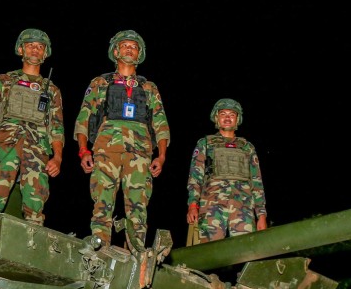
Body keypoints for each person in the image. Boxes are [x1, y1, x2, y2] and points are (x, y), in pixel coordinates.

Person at [75, 30, 170, 249]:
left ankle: (135, 256)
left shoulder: (149, 87)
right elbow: (84, 117)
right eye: (125, 45)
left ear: (139, 54)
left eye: (134, 46)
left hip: (140, 153)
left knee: (138, 207)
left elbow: (161, 123)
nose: (129, 49)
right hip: (106, 148)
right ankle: (99, 250)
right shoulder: (100, 83)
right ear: (115, 51)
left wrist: (162, 156)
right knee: (102, 203)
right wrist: (83, 151)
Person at [0, 28, 64, 226]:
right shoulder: (4, 80)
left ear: (45, 53)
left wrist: (57, 157)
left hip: (37, 150)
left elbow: (57, 128)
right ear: (21, 50)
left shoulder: (52, 90)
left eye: (40, 47)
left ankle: (32, 250)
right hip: (5, 145)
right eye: (30, 45)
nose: (35, 50)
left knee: (35, 206)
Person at [186, 98, 267, 243]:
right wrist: (193, 205)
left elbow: (257, 182)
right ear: (217, 118)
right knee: (209, 254)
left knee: (248, 251)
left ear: (237, 119)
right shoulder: (205, 143)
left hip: (243, 208)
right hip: (212, 207)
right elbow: (195, 177)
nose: (227, 118)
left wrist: (261, 216)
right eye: (223, 114)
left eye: (232, 114)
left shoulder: (247, 147)